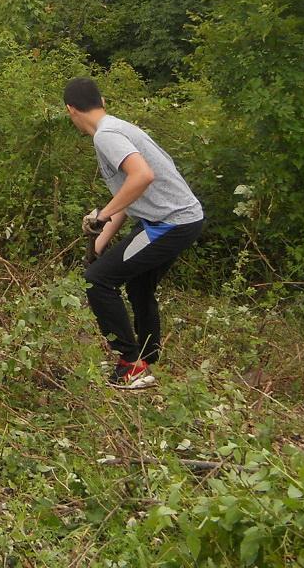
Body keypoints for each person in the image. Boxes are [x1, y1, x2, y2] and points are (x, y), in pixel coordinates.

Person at [64, 77, 204, 389]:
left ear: (71, 109)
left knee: (97, 281)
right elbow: (131, 192)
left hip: (171, 222)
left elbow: (142, 176)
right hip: (169, 220)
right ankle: (147, 358)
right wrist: (101, 238)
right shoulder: (116, 128)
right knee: (139, 287)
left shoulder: (107, 136)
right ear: (102, 101)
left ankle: (131, 363)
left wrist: (101, 215)